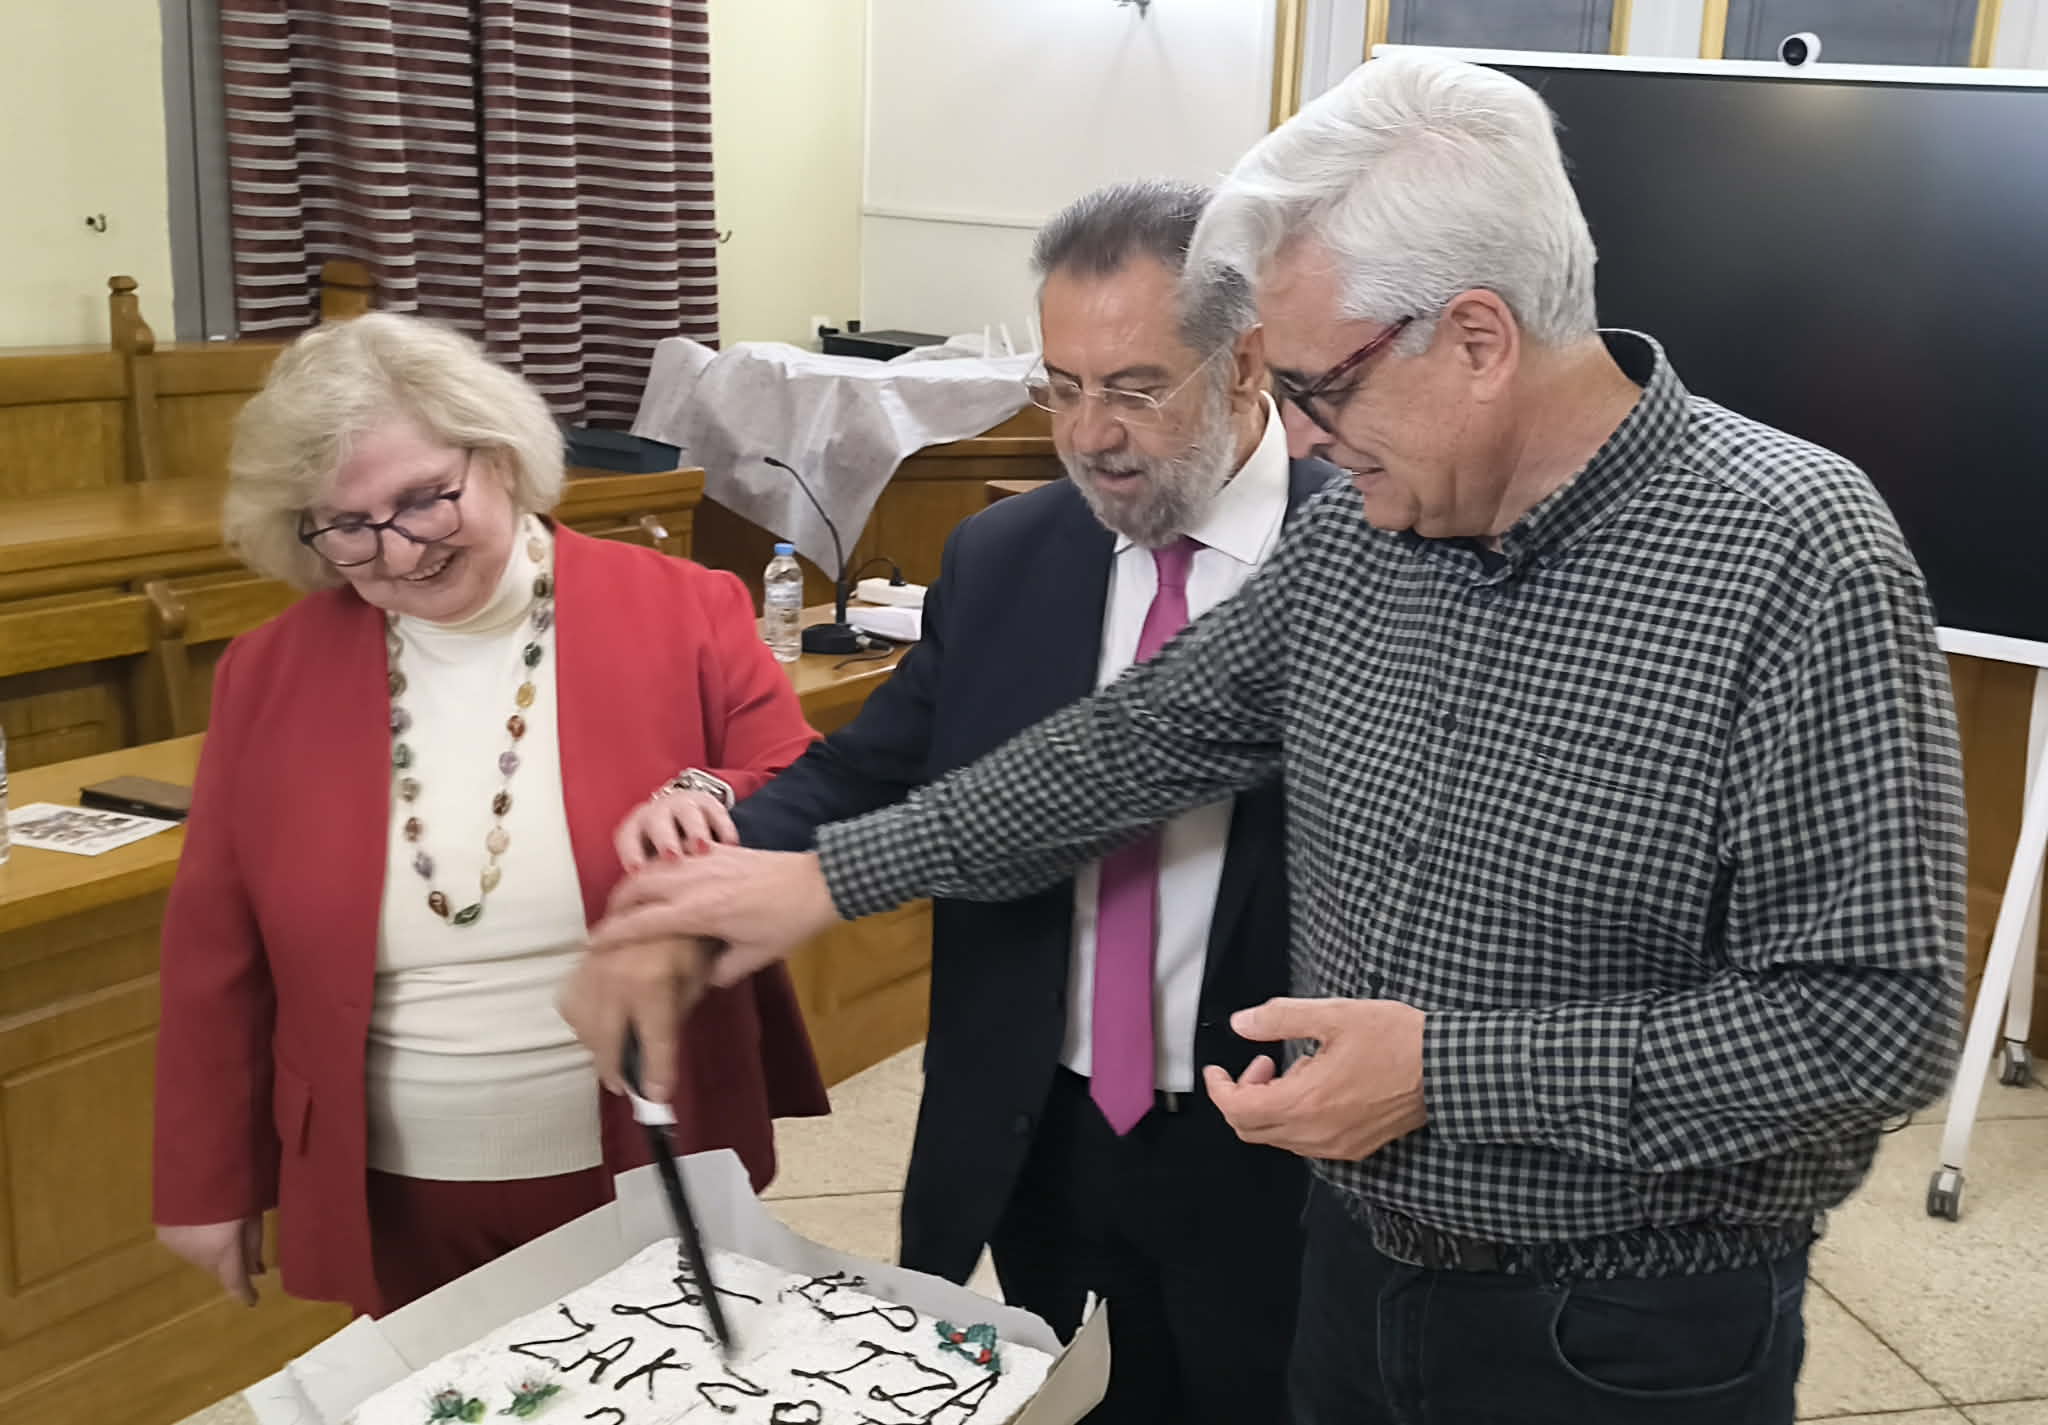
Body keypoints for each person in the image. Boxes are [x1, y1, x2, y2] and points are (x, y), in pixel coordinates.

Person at [581, 53, 1968, 1425]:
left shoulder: (1794, 551)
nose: (1295, 433)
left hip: (1618, 1327)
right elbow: (1134, 746)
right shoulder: (1368, 532)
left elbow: (1873, 1024)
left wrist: (1445, 1074)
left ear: (1476, 341)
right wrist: (816, 877)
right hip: (1348, 1269)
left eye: (1318, 386)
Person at [575, 180, 1326, 1425]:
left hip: (1266, 1139)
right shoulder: (1008, 553)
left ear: (1246, 363)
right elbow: (872, 768)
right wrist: (720, 848)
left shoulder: (1366, 556)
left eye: (1134, 387)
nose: (1088, 434)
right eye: (1059, 386)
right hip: (1042, 1118)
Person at [151, 313, 829, 1320]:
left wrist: (711, 793)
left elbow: (804, 783)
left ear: (501, 457)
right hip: (395, 1181)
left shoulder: (682, 607)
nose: (400, 549)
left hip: (645, 1136)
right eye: (347, 525)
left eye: (425, 498)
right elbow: (216, 938)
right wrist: (205, 1179)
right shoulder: (267, 672)